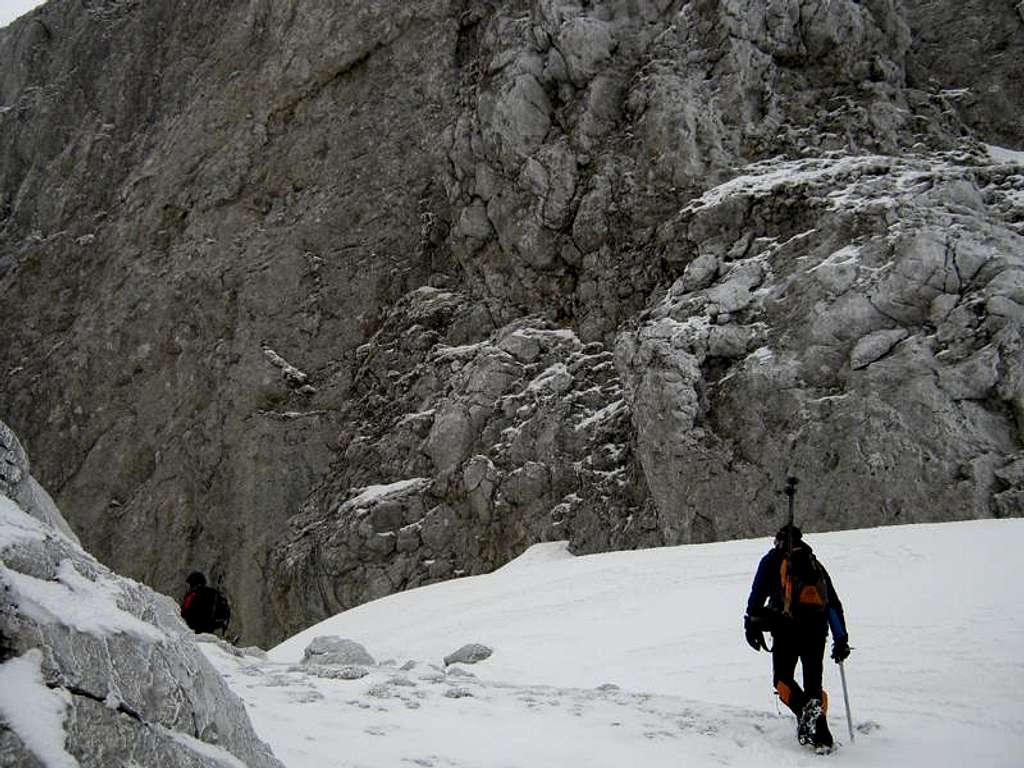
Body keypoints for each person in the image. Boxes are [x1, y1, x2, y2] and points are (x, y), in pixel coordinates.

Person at [744, 524, 850, 752]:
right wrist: (841, 638)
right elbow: (832, 603)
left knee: (782, 680)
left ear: (778, 541)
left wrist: (750, 624)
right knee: (814, 685)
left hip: (786, 629)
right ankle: (822, 737)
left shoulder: (772, 560)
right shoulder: (815, 564)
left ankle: (806, 713)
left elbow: (757, 595)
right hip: (817, 629)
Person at [181, 571, 230, 635]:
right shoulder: (214, 593)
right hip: (210, 628)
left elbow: (184, 611)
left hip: (194, 628)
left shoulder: (192, 594)